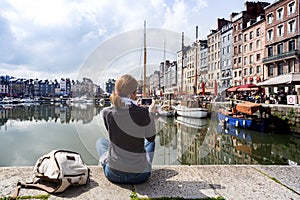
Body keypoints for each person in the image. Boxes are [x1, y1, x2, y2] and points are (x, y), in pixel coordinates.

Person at [96, 74, 156, 184]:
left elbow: (115, 132)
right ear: (133, 94)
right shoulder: (142, 112)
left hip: (113, 174)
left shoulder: (106, 113)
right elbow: (151, 138)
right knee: (150, 143)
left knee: (101, 142)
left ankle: (106, 162)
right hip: (140, 175)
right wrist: (150, 114)